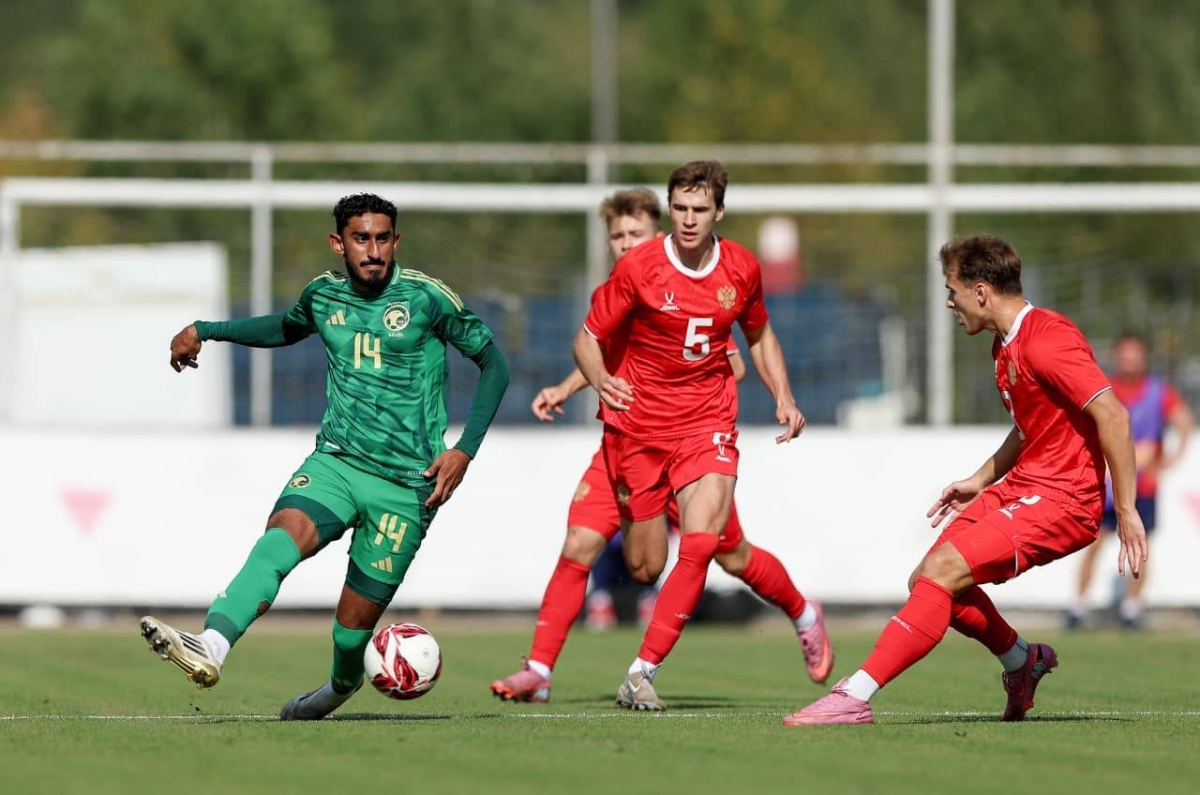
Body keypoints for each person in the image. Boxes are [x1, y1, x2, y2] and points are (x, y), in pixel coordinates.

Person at [140, 193, 509, 720]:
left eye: (383, 238)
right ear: (339, 243)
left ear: (396, 241)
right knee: (280, 539)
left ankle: (338, 689)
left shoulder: (427, 298)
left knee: (349, 633)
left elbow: (494, 364)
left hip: (409, 485)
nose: (373, 250)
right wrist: (206, 330)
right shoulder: (322, 295)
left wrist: (464, 451)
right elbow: (282, 329)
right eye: (361, 239)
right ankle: (212, 645)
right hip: (337, 462)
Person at [784, 235, 1147, 726]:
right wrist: (980, 479)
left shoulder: (1047, 338)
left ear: (980, 292)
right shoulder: (1005, 345)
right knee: (926, 580)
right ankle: (1021, 661)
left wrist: (1124, 510)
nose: (949, 304)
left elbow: (1113, 416)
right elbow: (1032, 428)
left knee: (943, 572)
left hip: (1065, 500)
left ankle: (855, 695)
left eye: (951, 291)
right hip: (1024, 487)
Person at [491, 187, 831, 706]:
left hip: (688, 443)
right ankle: (538, 671)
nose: (626, 243)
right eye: (617, 236)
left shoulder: (686, 283)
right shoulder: (619, 288)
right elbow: (605, 355)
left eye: (636, 234)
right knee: (582, 545)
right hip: (623, 443)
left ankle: (803, 613)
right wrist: (567, 387)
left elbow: (731, 359)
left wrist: (702, 388)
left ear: (658, 235)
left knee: (732, 556)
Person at [574, 163, 809, 711]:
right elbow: (586, 339)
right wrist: (601, 380)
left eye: (699, 209)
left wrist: (784, 395)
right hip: (641, 429)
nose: (687, 219)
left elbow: (760, 335)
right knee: (645, 567)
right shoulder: (639, 268)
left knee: (703, 542)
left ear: (718, 212)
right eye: (679, 207)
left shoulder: (742, 268)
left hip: (708, 421)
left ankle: (641, 672)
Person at [1067, 332, 1193, 629]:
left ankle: (1131, 608)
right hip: (1108, 486)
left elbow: (1185, 423)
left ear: (1144, 358)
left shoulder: (1159, 392)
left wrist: (1167, 462)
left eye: (1135, 355)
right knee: (1094, 544)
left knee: (1139, 546)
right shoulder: (1104, 390)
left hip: (1141, 487)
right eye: (1125, 355)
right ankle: (1078, 606)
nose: (1130, 361)